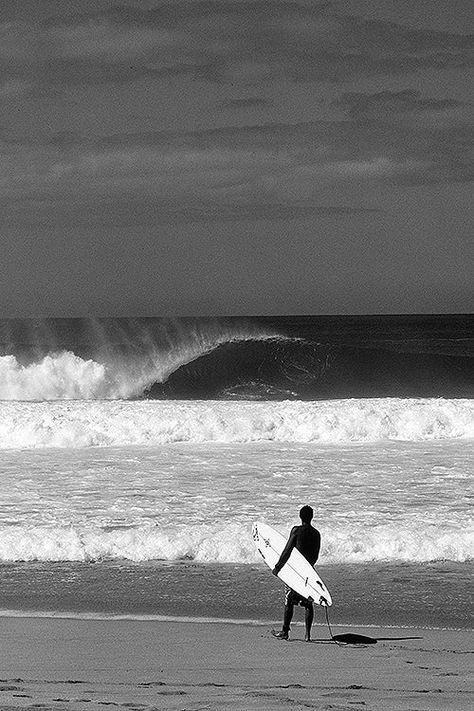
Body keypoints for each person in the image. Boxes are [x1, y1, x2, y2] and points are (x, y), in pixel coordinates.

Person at [271, 505, 321, 641]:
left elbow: (287, 550)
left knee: (289, 601)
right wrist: (308, 569)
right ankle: (307, 635)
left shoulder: (296, 531)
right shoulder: (316, 534)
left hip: (295, 573)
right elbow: (316, 555)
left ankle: (285, 631)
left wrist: (278, 567)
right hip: (309, 571)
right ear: (312, 517)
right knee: (308, 602)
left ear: (300, 516)